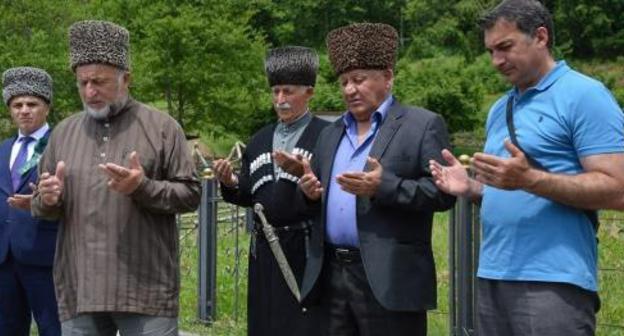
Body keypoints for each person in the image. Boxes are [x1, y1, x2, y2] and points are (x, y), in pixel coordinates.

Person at [429, 1, 624, 335]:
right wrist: (473, 189)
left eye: (505, 47)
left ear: (541, 37)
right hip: (493, 276)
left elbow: (618, 189)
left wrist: (530, 179)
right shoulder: (500, 108)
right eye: (491, 51)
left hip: (553, 282)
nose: (497, 61)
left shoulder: (585, 95)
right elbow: (512, 190)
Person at [31, 20, 201, 335]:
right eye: (82, 83)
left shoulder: (162, 128)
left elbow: (191, 194)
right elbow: (44, 208)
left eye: (100, 82)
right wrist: (48, 199)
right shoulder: (63, 134)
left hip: (146, 290)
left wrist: (143, 187)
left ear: (126, 79)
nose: (90, 92)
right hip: (80, 289)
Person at [295, 23, 455, 336]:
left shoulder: (421, 125)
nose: (350, 90)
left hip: (389, 279)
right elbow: (318, 199)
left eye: (359, 79)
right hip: (330, 277)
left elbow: (442, 193)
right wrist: (310, 194)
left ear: (388, 77)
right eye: (343, 82)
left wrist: (383, 186)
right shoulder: (329, 135)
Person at [213, 46, 329, 336]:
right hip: (264, 252)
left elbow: (334, 196)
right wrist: (229, 184)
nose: (280, 100)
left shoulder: (326, 136)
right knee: (265, 323)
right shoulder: (260, 139)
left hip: (306, 250)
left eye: (288, 91)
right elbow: (249, 195)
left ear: (309, 92)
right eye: (275, 91)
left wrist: (310, 184)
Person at [0, 67, 61, 335]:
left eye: (32, 104)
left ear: (46, 107)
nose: (24, 110)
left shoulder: (60, 144)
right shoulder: (3, 149)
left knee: (53, 328)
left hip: (45, 255)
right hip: (4, 258)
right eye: (17, 105)